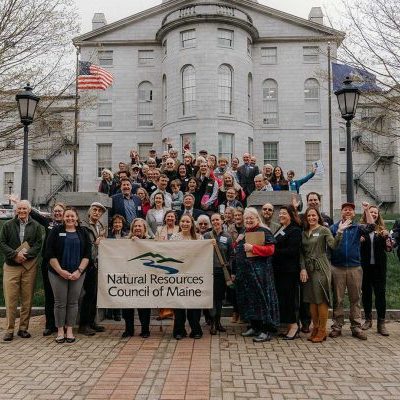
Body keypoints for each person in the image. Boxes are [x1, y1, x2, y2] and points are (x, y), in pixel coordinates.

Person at [300, 207, 350, 342]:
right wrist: (303, 268)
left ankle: (322, 330)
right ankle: (315, 327)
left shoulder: (323, 230)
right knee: (311, 299)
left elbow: (333, 245)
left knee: (321, 298)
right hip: (309, 269)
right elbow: (302, 253)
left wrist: (339, 231)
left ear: (318, 216)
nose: (311, 218)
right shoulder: (304, 233)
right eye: (309, 215)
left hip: (321, 267)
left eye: (314, 215)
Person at [329, 202, 374, 340]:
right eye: (345, 209)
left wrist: (366, 210)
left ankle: (356, 327)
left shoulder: (357, 228)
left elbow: (372, 227)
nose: (348, 211)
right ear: (341, 212)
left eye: (350, 210)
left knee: (355, 299)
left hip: (355, 267)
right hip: (337, 267)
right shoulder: (334, 227)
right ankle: (337, 326)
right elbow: (330, 245)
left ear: (354, 214)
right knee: (338, 299)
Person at [46, 207, 91, 343]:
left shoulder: (82, 232)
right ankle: (60, 330)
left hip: (77, 273)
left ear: (77, 217)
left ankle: (70, 329)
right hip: (57, 273)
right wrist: (60, 271)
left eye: (72, 216)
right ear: (63, 217)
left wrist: (79, 271)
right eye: (67, 216)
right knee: (60, 303)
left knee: (73, 302)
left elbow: (87, 254)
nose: (70, 218)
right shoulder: (56, 231)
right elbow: (49, 253)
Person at [0, 200, 43, 341]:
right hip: (11, 266)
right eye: (19, 209)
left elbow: (38, 244)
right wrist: (14, 255)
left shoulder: (36, 226)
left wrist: (26, 255)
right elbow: (2, 243)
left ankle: (23, 328)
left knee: (27, 299)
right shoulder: (8, 225)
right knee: (11, 299)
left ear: (29, 210)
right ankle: (9, 329)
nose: (22, 211)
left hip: (28, 266)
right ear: (16, 210)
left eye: (24, 208)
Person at [235, 207, 279, 342]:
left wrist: (253, 248)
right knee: (250, 300)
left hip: (261, 274)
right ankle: (254, 326)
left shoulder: (264, 230)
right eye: (246, 218)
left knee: (262, 300)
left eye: (251, 218)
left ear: (257, 218)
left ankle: (266, 330)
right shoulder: (244, 231)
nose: (248, 220)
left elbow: (271, 249)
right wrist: (237, 241)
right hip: (246, 274)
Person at [29, 202, 66, 336]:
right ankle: (50, 325)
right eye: (55, 211)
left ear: (64, 212)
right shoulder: (48, 223)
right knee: (49, 295)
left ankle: (62, 324)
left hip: (63, 264)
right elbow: (35, 214)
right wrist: (19, 203)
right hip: (48, 263)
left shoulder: (68, 225)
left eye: (59, 211)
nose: (57, 213)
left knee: (62, 296)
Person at [170, 215, 203, 339]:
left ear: (192, 224)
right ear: (179, 223)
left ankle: (196, 330)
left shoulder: (199, 238)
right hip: (178, 275)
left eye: (187, 221)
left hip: (194, 276)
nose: (185, 223)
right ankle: (179, 330)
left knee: (194, 304)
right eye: (182, 221)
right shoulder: (174, 237)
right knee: (179, 304)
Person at [360, 205, 391, 336]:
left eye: (375, 213)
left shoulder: (382, 230)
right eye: (371, 212)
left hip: (379, 267)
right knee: (366, 293)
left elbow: (389, 248)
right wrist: (359, 240)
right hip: (365, 267)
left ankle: (381, 323)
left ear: (378, 216)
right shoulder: (361, 229)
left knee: (380, 295)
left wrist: (387, 238)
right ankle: (368, 319)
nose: (373, 214)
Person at [272, 205, 302, 340]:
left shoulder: (295, 230)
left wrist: (273, 252)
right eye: (280, 213)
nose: (281, 215)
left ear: (290, 215)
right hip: (279, 271)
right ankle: (289, 326)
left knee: (290, 299)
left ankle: (295, 326)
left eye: (284, 213)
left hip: (289, 271)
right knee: (283, 299)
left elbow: (292, 251)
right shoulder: (281, 229)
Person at [79, 202, 107, 336]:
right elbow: (83, 244)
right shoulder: (83, 226)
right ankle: (83, 325)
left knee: (94, 295)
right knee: (87, 295)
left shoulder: (100, 226)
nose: (97, 212)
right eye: (94, 210)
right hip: (87, 263)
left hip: (97, 263)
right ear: (90, 211)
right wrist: (95, 243)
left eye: (99, 211)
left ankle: (91, 322)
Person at [203, 213, 233, 334]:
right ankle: (213, 323)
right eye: (213, 220)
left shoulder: (228, 237)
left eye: (217, 220)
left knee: (219, 298)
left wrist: (230, 270)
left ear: (222, 221)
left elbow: (231, 255)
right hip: (208, 271)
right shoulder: (206, 236)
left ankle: (218, 321)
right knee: (212, 298)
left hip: (222, 272)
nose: (215, 222)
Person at [123, 218, 152, 337]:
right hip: (129, 278)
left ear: (145, 229)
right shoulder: (125, 241)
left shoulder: (151, 241)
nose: (137, 228)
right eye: (135, 226)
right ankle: (128, 329)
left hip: (145, 278)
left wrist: (140, 243)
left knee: (144, 305)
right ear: (132, 229)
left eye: (140, 226)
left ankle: (145, 329)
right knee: (127, 305)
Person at [154, 210, 178, 320]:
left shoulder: (179, 228)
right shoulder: (159, 230)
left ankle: (174, 312)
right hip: (162, 262)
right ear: (165, 218)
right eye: (168, 217)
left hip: (176, 262)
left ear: (175, 218)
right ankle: (163, 312)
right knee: (162, 287)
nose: (170, 219)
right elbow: (155, 244)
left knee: (174, 288)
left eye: (172, 217)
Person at [105, 214, 128, 321]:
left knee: (121, 288)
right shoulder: (107, 236)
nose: (117, 224)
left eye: (119, 222)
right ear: (112, 224)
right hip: (111, 265)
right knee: (111, 287)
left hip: (123, 265)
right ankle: (110, 312)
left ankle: (118, 313)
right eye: (115, 222)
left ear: (122, 224)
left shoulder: (127, 235)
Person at [228, 207, 245, 323]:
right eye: (236, 216)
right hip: (233, 260)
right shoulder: (230, 228)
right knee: (234, 290)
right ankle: (235, 312)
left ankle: (243, 313)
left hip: (244, 260)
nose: (238, 218)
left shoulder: (247, 228)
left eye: (240, 215)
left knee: (244, 289)